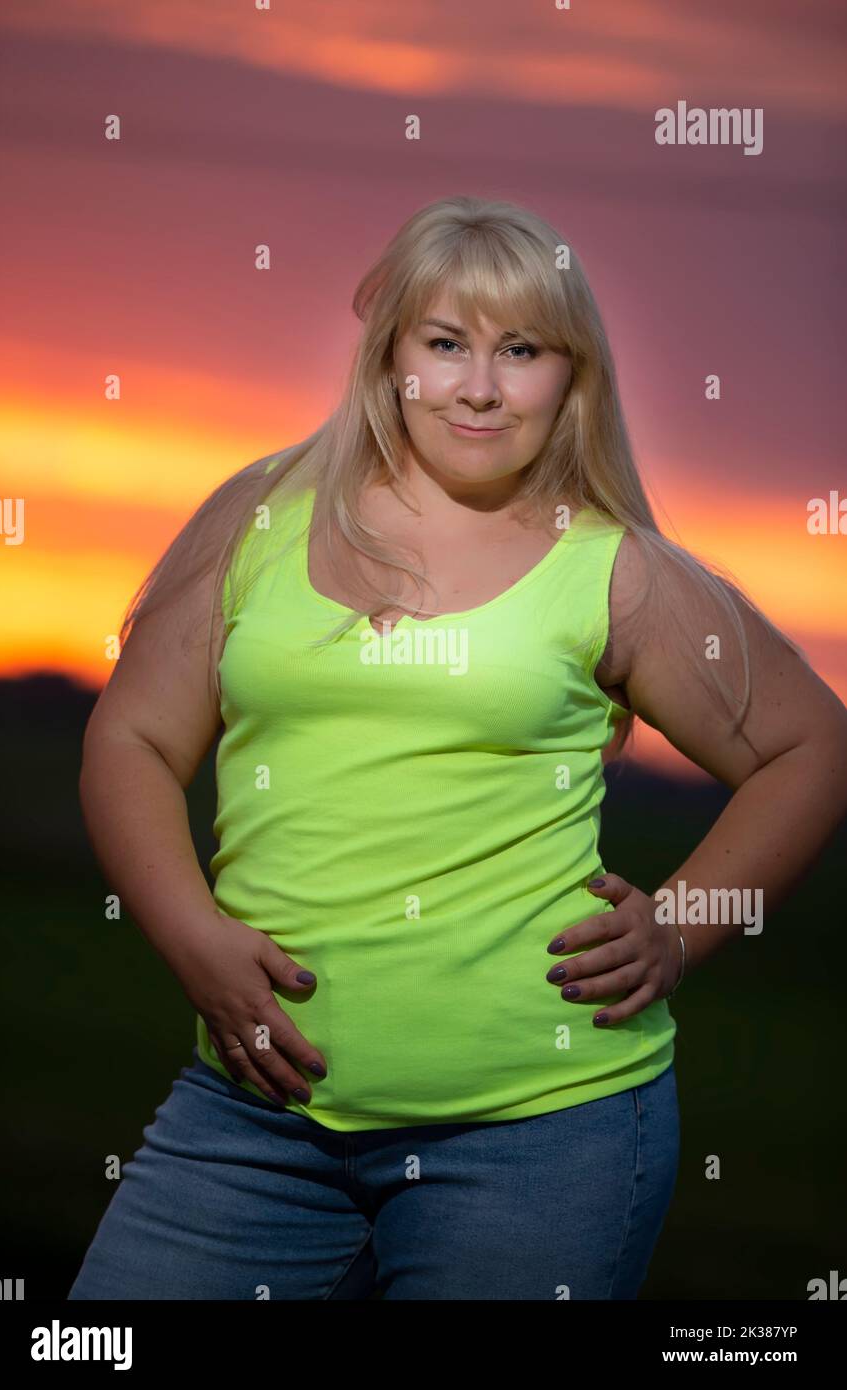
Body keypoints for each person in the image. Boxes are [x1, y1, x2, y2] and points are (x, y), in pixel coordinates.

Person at [68, 195, 847, 1301]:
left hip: (537, 1140)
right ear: (390, 359)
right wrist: (189, 932)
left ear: (569, 374)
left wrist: (677, 932)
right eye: (445, 344)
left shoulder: (613, 569)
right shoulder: (258, 517)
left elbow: (809, 744)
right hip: (251, 1119)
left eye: (519, 349)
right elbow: (132, 739)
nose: (478, 387)